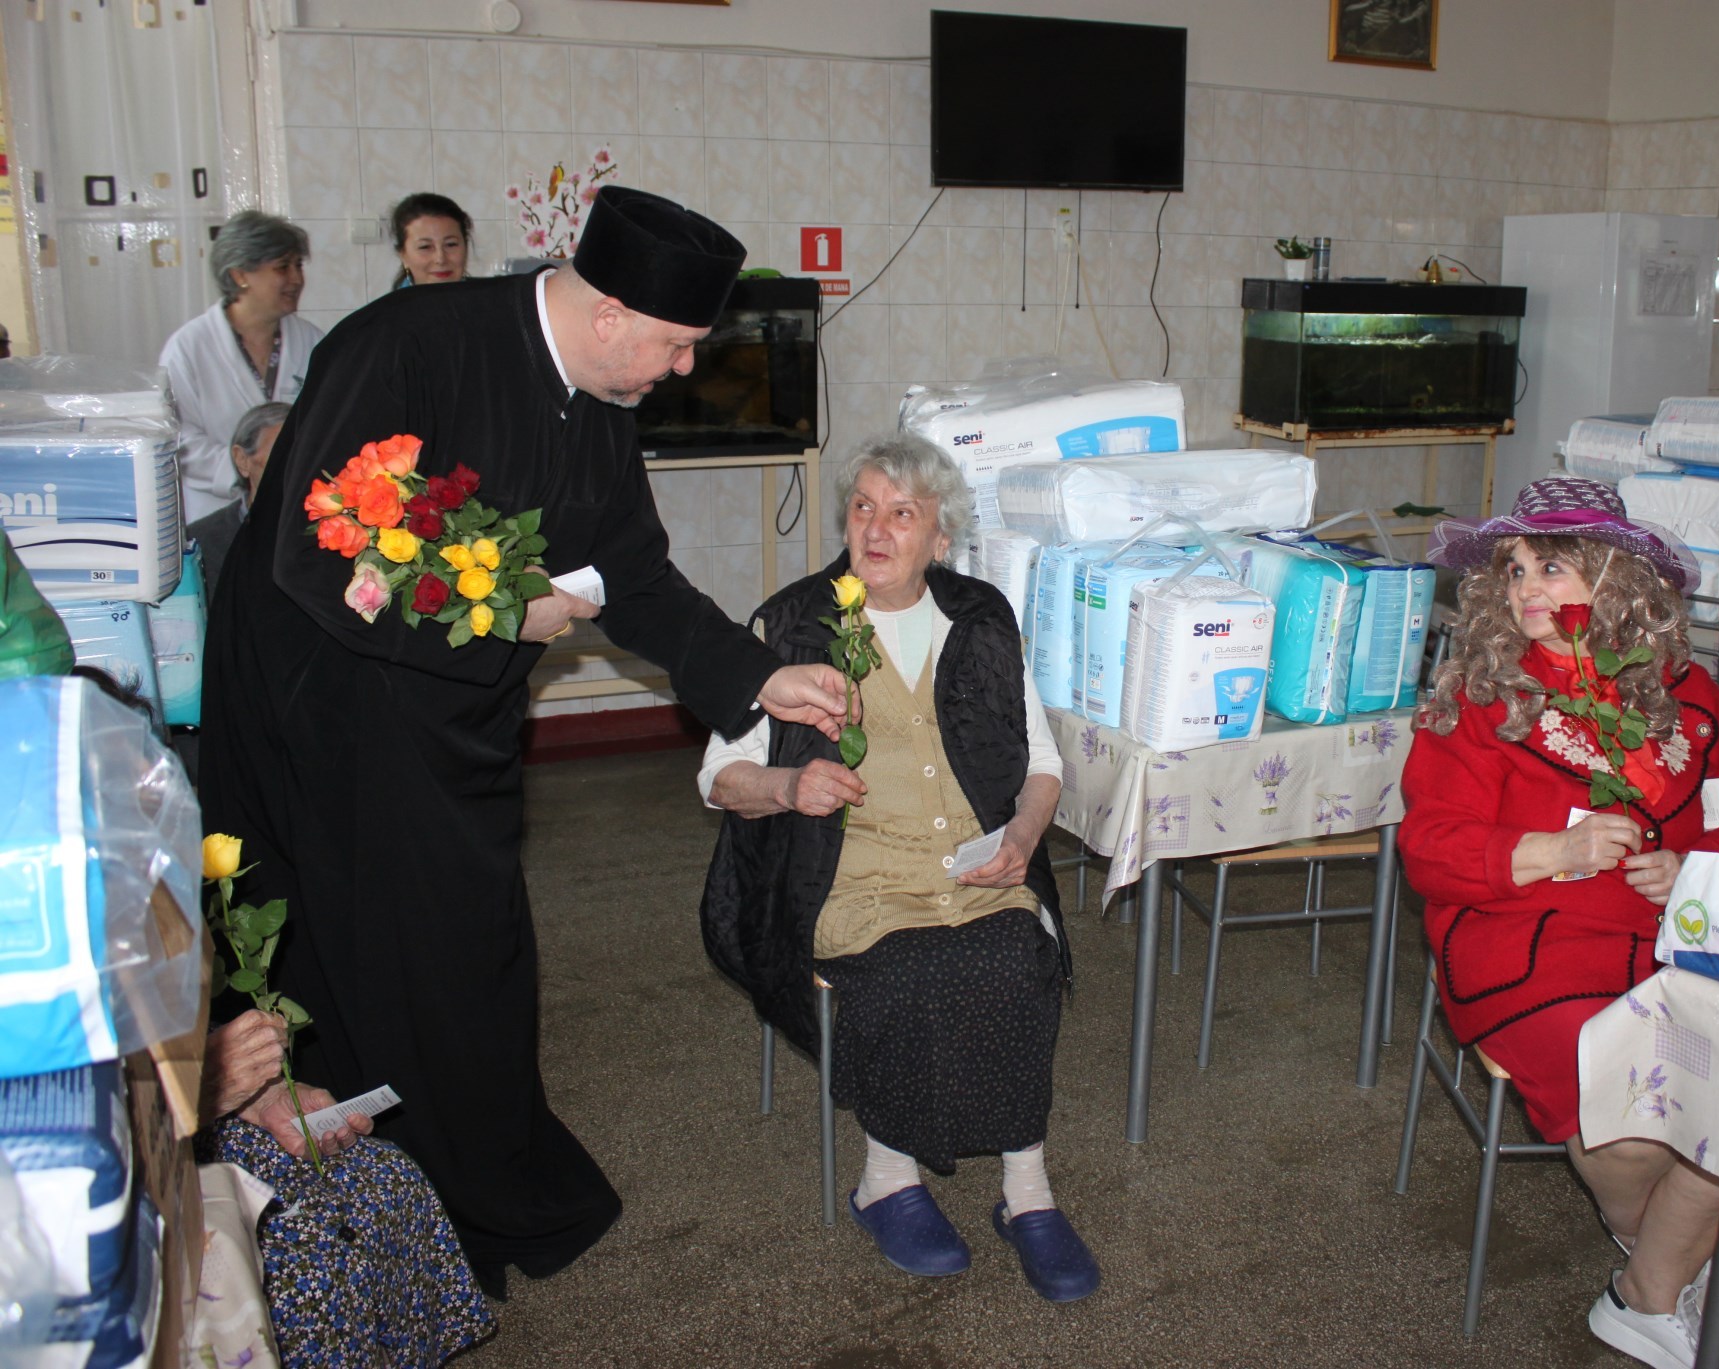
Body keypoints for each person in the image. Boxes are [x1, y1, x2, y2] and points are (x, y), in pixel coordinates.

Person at [199, 186, 851, 1297]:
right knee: (374, 952)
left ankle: (482, 1183)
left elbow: (632, 573)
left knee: (473, 948)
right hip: (331, 720)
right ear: (609, 315)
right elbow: (317, 562)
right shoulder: (403, 348)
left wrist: (756, 674)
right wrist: (511, 613)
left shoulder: (599, 397)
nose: (683, 371)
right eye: (677, 345)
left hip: (458, 720)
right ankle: (394, 1199)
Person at [1397, 476, 1719, 1369]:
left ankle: (1647, 1283)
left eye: (1551, 567)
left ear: (1616, 580)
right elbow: (1430, 846)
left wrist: (1699, 866)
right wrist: (1551, 852)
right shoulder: (1480, 699)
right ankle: (1660, 1249)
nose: (1525, 588)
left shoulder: (1689, 698)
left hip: (1679, 937)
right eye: (1513, 569)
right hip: (1523, 936)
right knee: (1625, 1084)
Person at [699, 434, 1099, 1303]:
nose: (876, 529)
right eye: (862, 509)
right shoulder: (793, 623)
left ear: (940, 539)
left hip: (974, 862)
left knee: (1015, 958)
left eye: (902, 514)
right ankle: (888, 1174)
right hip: (848, 876)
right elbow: (718, 777)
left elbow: (1040, 761)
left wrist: (1024, 839)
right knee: (915, 966)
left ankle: (1026, 1191)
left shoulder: (981, 620)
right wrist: (788, 782)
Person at [198, 1009, 494, 1365]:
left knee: (386, 1177)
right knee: (309, 1278)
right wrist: (196, 1092)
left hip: (197, 1109)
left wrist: (260, 1096)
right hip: (149, 1170)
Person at [160, 211, 324, 523]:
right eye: (282, 268)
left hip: (296, 507)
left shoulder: (311, 340)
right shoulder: (189, 347)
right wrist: (244, 469)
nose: (296, 279)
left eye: (298, 265)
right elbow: (178, 437)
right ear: (239, 276)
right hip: (216, 515)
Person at [190, 400, 288, 604]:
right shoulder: (199, 543)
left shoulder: (334, 534)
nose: (292, 471)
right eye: (279, 459)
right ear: (242, 460)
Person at [389, 193, 473, 289]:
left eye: (450, 244)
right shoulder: (392, 304)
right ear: (403, 255)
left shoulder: (487, 301)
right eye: (425, 247)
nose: (440, 259)